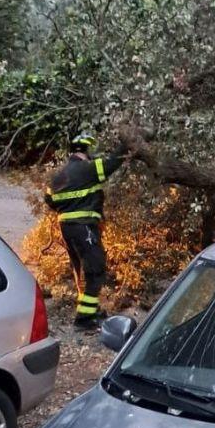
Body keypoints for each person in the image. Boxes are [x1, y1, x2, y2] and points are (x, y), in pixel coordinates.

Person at [44, 132, 129, 329]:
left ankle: (90, 310)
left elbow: (49, 200)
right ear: (85, 150)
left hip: (67, 228)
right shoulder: (87, 169)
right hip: (84, 227)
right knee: (96, 269)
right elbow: (111, 165)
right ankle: (84, 319)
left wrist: (69, 207)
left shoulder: (59, 176)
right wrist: (125, 145)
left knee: (81, 269)